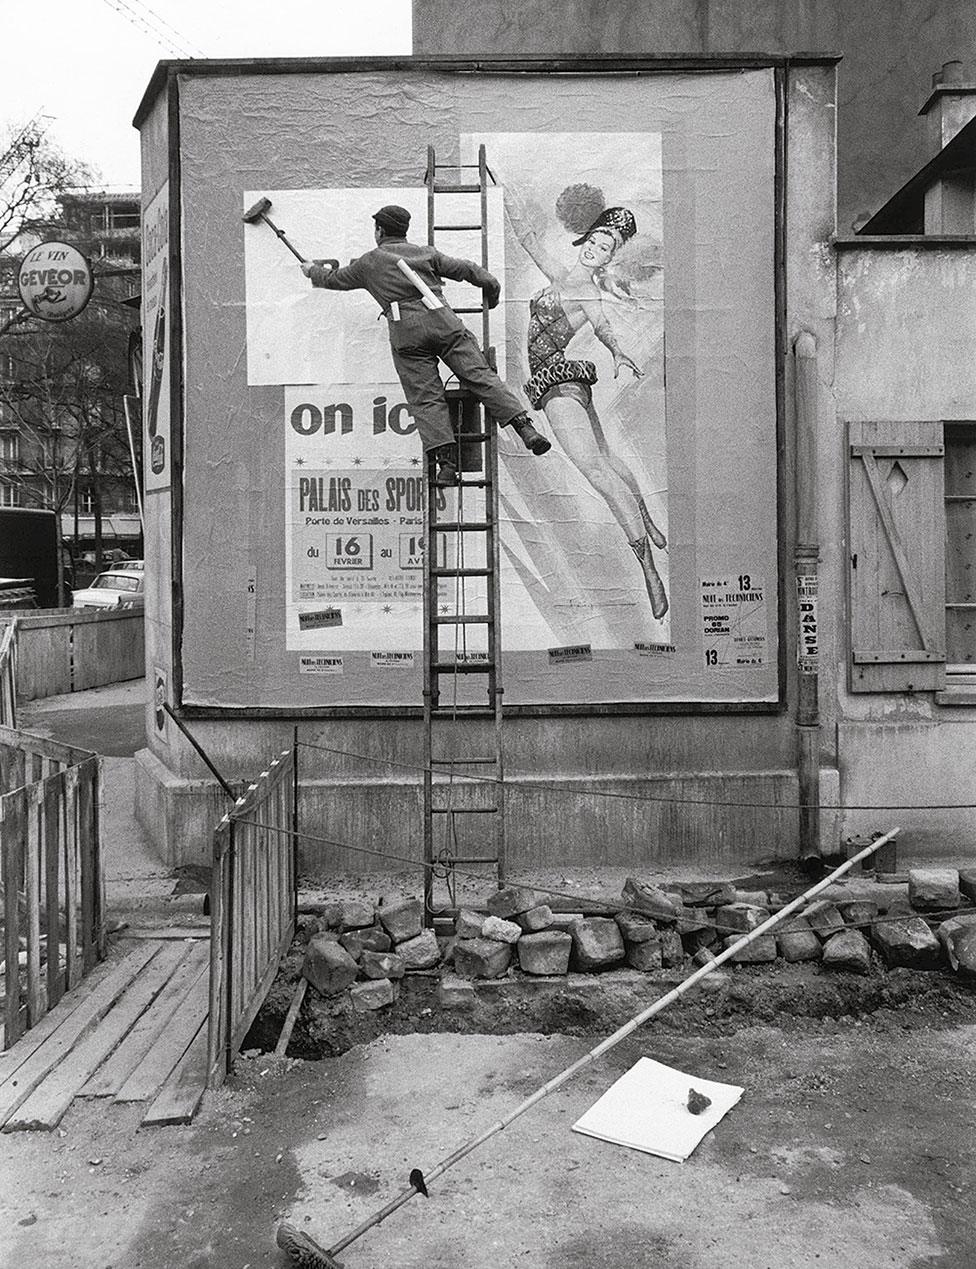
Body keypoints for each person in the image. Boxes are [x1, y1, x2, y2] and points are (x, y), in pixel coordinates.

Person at [504, 189, 669, 620]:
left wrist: (616, 351)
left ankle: (648, 570)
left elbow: (602, 327)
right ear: (585, 241)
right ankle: (647, 521)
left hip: (558, 384)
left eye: (607, 247)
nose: (597, 249)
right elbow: (529, 241)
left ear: (610, 257)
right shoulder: (561, 276)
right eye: (595, 241)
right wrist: (510, 198)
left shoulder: (591, 294)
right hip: (561, 381)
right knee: (609, 460)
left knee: (597, 473)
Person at [301, 204, 550, 485]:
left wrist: (312, 271)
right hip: (443, 322)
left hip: (406, 333)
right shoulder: (425, 253)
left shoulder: (369, 262)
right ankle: (525, 428)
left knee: (426, 398)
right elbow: (467, 269)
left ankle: (446, 465)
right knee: (481, 378)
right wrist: (491, 290)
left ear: (379, 230)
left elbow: (334, 280)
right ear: (404, 231)